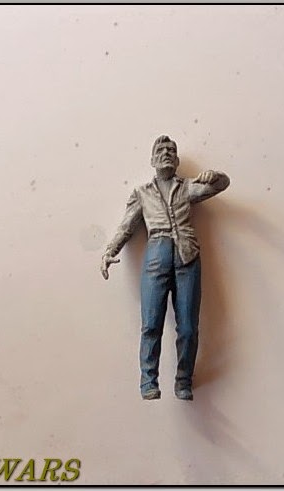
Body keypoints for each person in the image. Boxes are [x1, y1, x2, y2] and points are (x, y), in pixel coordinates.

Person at [101, 135, 230, 401]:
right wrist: (109, 251)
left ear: (177, 160)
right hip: (156, 255)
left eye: (171, 150)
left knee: (188, 327)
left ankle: (184, 380)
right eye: (160, 150)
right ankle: (148, 381)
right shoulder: (142, 193)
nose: (166, 153)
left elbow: (221, 185)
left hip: (187, 254)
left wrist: (214, 175)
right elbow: (126, 227)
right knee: (151, 323)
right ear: (152, 160)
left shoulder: (187, 187)